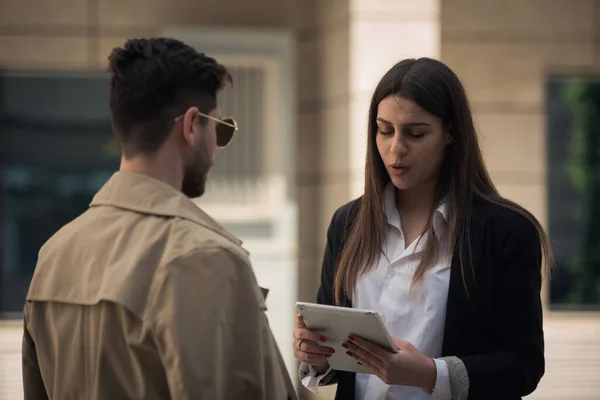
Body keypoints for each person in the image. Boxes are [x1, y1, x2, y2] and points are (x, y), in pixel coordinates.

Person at [22, 37, 296, 400]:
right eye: (221, 128)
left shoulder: (53, 256)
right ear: (192, 125)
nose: (217, 146)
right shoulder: (205, 258)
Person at [293, 57, 553, 400]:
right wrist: (316, 357)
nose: (395, 148)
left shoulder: (506, 232)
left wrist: (432, 374)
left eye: (415, 133)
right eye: (384, 130)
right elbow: (341, 357)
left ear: (450, 133)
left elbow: (524, 365)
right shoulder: (348, 223)